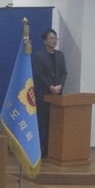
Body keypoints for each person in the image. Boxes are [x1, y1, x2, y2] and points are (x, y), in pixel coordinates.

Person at [32, 28, 67, 157]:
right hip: (44, 95)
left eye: (55, 38)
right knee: (43, 123)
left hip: (58, 94)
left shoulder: (60, 55)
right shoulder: (39, 56)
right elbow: (39, 75)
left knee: (55, 123)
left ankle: (52, 150)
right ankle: (39, 151)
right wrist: (51, 87)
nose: (54, 41)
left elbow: (64, 73)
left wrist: (60, 86)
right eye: (51, 38)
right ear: (45, 41)